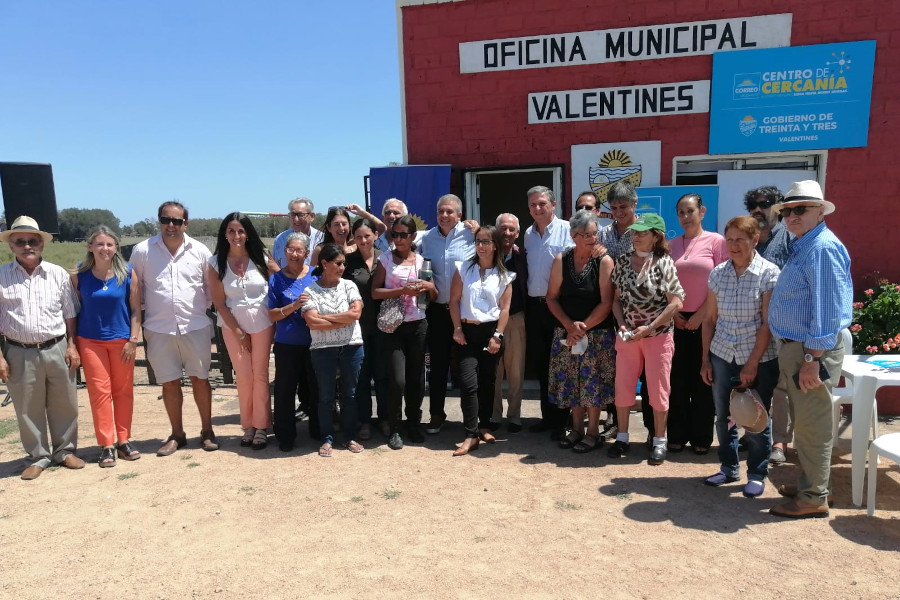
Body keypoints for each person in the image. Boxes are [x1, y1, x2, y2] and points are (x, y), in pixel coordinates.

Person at [767, 180, 852, 519]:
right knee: (805, 421)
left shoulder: (822, 248)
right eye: (787, 210)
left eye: (799, 209)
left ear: (820, 210)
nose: (791, 216)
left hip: (809, 350)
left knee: (812, 423)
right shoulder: (807, 244)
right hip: (800, 349)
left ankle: (814, 496)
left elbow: (828, 310)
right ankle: (811, 484)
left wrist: (811, 359)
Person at [700, 216, 781, 497]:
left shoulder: (769, 273)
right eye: (729, 239)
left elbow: (768, 324)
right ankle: (728, 468)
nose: (733, 246)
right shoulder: (718, 273)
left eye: (740, 240)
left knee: (756, 417)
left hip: (756, 357)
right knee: (724, 416)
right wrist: (705, 360)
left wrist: (752, 363)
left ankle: (757, 473)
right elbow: (710, 319)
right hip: (722, 354)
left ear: (754, 240)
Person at [131, 201, 218, 456]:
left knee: (200, 380)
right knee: (169, 383)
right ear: (158, 220)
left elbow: (209, 288)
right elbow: (135, 290)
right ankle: (177, 434)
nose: (171, 225)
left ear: (185, 223)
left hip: (194, 325)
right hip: (158, 328)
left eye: (177, 221)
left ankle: (207, 431)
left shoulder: (200, 251)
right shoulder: (142, 250)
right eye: (166, 220)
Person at [0, 216, 83, 480]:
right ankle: (38, 456)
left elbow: (70, 313)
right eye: (20, 241)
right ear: (11, 246)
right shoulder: (1, 276)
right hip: (18, 350)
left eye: (32, 241)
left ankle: (65, 451)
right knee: (27, 406)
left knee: (65, 402)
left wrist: (72, 346)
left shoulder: (57, 274)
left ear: (41, 245)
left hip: (56, 346)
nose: (27, 246)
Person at [608, 213, 684, 465]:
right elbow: (616, 300)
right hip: (628, 337)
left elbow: (676, 303)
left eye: (643, 232)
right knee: (623, 387)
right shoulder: (621, 261)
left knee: (658, 390)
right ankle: (622, 436)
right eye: (635, 232)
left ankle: (660, 441)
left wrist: (650, 327)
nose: (636, 236)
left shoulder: (665, 263)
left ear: (656, 237)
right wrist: (621, 325)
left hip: (658, 337)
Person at [208, 213, 279, 450]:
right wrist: (238, 331)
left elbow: (280, 282)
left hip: (262, 323)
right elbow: (219, 303)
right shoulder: (216, 262)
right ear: (225, 234)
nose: (236, 236)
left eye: (240, 231)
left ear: (247, 233)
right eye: (231, 231)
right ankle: (247, 425)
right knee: (244, 376)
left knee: (259, 375)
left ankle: (261, 426)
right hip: (232, 325)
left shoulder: (261, 257)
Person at [547, 210, 616, 453]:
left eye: (594, 233)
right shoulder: (561, 259)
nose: (592, 238)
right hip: (566, 333)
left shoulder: (604, 261)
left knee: (592, 383)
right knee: (572, 383)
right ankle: (576, 430)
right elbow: (552, 298)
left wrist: (583, 327)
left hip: (596, 334)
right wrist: (568, 326)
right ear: (574, 235)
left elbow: (607, 302)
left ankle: (594, 432)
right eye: (586, 234)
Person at [73, 226, 143, 467]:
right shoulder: (79, 276)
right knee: (99, 394)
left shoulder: (128, 274)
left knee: (123, 392)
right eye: (99, 244)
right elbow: (74, 311)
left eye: (109, 244)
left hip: (122, 341)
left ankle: (123, 441)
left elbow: (135, 311)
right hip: (90, 341)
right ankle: (106, 445)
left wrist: (133, 340)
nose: (105, 249)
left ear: (116, 248)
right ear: (90, 247)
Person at [667, 193, 727, 455]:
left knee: (704, 380)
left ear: (702, 212)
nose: (685, 216)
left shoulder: (716, 241)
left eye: (690, 211)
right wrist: (674, 315)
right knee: (677, 381)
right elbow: (664, 284)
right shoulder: (671, 245)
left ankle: (702, 437)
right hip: (677, 320)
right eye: (681, 212)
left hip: (708, 320)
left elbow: (723, 281)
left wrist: (703, 313)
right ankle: (677, 435)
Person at [449, 225, 514, 456]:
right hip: (466, 332)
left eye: (486, 241)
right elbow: (454, 300)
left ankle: (484, 425)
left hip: (491, 333)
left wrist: (498, 335)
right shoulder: (463, 268)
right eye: (478, 241)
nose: (481, 246)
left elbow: (505, 309)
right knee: (468, 384)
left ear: (495, 245)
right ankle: (470, 434)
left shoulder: (505, 275)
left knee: (488, 382)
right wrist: (457, 328)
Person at [371, 216, 436, 449]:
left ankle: (413, 424)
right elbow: (375, 292)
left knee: (416, 380)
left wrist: (429, 287)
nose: (398, 239)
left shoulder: (422, 261)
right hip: (394, 326)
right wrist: (401, 290)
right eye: (394, 234)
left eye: (403, 235)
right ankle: (395, 428)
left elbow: (433, 294)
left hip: (418, 324)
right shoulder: (386, 259)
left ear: (412, 237)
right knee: (397, 380)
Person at [417, 194, 475, 434]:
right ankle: (437, 416)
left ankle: (471, 420)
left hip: (465, 312)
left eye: (450, 211)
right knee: (438, 367)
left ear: (460, 215)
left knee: (467, 368)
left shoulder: (472, 234)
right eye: (441, 211)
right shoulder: (427, 238)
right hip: (438, 312)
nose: (444, 215)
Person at [302, 244, 366, 457]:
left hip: (351, 347)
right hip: (323, 349)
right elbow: (311, 322)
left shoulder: (349, 286)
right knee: (325, 397)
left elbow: (355, 314)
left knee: (350, 394)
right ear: (324, 263)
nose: (342, 267)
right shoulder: (310, 290)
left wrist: (325, 319)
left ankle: (349, 437)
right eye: (338, 263)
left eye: (344, 263)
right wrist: (341, 319)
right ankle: (326, 439)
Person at [744, 185, 793, 464]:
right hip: (752, 328)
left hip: (782, 327)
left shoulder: (789, 240)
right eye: (753, 206)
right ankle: (753, 434)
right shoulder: (749, 241)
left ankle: (779, 443)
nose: (758, 210)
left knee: (780, 388)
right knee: (752, 384)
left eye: (764, 204)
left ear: (777, 208)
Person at [524, 185, 574, 439]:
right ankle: (548, 417)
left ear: (553, 205)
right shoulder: (528, 234)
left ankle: (563, 421)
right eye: (533, 204)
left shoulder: (568, 230)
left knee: (562, 365)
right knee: (542, 364)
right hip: (535, 309)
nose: (538, 208)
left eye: (542, 203)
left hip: (560, 307)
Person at [268, 232, 319, 451]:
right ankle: (285, 435)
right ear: (285, 251)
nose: (294, 254)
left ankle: (318, 431)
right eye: (290, 249)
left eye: (299, 250)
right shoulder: (277, 279)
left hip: (315, 342)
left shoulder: (316, 275)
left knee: (317, 389)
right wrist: (294, 305)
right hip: (287, 343)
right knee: (285, 390)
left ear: (307, 254)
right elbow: (272, 314)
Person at [343, 218, 388, 440]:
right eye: (358, 236)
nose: (362, 240)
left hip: (384, 327)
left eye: (367, 236)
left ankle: (385, 419)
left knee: (382, 376)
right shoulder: (347, 262)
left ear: (375, 236)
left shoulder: (386, 259)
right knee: (361, 377)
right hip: (357, 328)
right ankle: (364, 421)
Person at [491, 213, 528, 434]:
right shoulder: (487, 254)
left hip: (516, 318)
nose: (506, 233)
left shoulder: (523, 256)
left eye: (511, 229)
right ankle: (495, 414)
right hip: (491, 321)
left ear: (517, 232)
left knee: (515, 370)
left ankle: (514, 416)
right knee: (494, 371)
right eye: (503, 228)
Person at [272, 197, 323, 268]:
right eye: (293, 215)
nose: (296, 219)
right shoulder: (280, 239)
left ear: (312, 216)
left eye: (300, 215)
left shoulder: (321, 239)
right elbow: (275, 267)